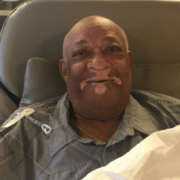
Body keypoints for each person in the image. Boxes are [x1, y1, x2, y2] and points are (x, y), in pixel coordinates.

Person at [1, 15, 180, 180]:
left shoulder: (174, 119)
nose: (99, 64)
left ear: (129, 62)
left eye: (112, 49)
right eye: (80, 53)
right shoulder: (22, 134)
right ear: (65, 70)